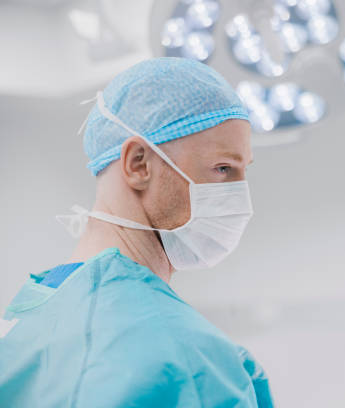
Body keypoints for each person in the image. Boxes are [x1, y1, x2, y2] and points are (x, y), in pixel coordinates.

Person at [0, 58, 274, 407]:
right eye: (223, 168)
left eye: (242, 171)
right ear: (138, 164)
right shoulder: (189, 361)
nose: (241, 196)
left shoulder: (22, 333)